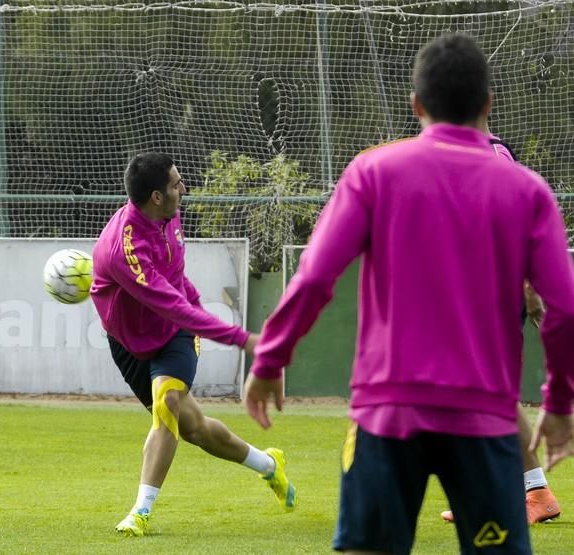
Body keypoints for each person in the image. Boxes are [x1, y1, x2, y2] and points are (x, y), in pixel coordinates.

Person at [244, 34, 574, 555]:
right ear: (488, 103)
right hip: (485, 423)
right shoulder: (528, 190)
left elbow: (314, 277)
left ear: (416, 104)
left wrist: (269, 360)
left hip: (386, 417)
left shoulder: (373, 172)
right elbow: (565, 309)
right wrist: (559, 401)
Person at [90, 152, 297, 537]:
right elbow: (171, 303)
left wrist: (198, 307)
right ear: (155, 196)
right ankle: (268, 465)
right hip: (130, 344)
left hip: (174, 334)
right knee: (195, 429)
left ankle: (141, 512)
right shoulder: (126, 248)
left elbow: (178, 286)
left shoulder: (169, 216)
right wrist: (248, 341)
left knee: (166, 402)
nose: (183, 188)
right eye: (176, 184)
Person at [440, 132, 560, 525]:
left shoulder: (490, 152)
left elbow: (516, 219)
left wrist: (527, 286)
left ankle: (535, 492)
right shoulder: (455, 152)